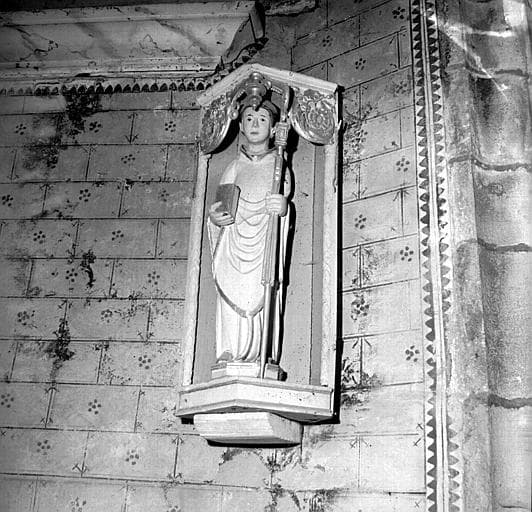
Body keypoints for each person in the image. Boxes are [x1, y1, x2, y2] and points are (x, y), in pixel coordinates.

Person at [207, 99, 291, 365]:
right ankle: (230, 350)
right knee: (231, 294)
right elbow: (221, 204)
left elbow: (284, 204)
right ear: (241, 127)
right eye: (249, 119)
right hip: (234, 246)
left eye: (262, 119)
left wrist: (283, 208)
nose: (255, 124)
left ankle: (261, 355)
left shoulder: (279, 166)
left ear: (274, 128)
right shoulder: (234, 167)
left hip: (264, 245)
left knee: (262, 294)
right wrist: (215, 218)